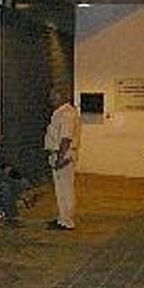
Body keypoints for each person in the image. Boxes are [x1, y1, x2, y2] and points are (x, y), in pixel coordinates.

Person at [43, 85, 81, 231]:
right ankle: (62, 217)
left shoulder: (66, 114)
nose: (51, 98)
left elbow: (66, 138)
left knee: (65, 189)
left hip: (63, 153)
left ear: (63, 96)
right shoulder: (62, 112)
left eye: (54, 95)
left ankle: (67, 221)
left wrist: (60, 158)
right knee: (62, 189)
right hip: (62, 153)